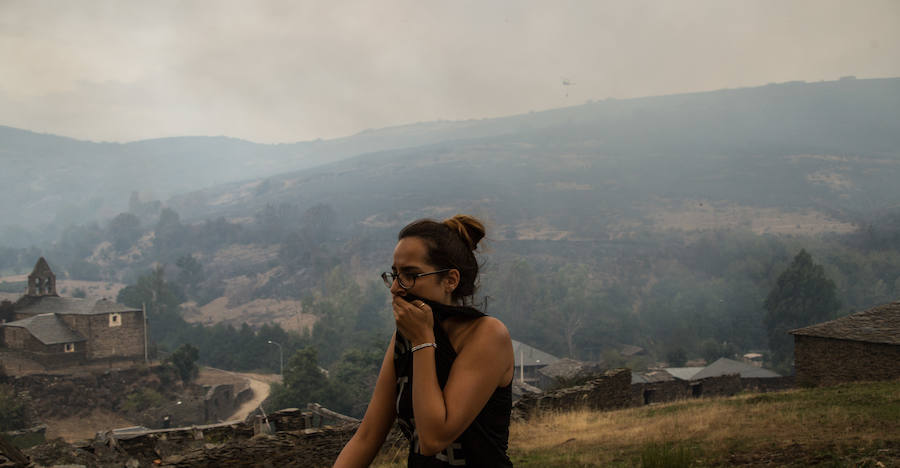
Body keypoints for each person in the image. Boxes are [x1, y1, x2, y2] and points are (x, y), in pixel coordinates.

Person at [334, 215, 514, 467]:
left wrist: (422, 341)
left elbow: (433, 438)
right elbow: (367, 437)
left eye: (410, 275)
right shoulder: (405, 338)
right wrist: (419, 338)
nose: (396, 288)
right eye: (394, 275)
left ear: (450, 280)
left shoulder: (487, 335)